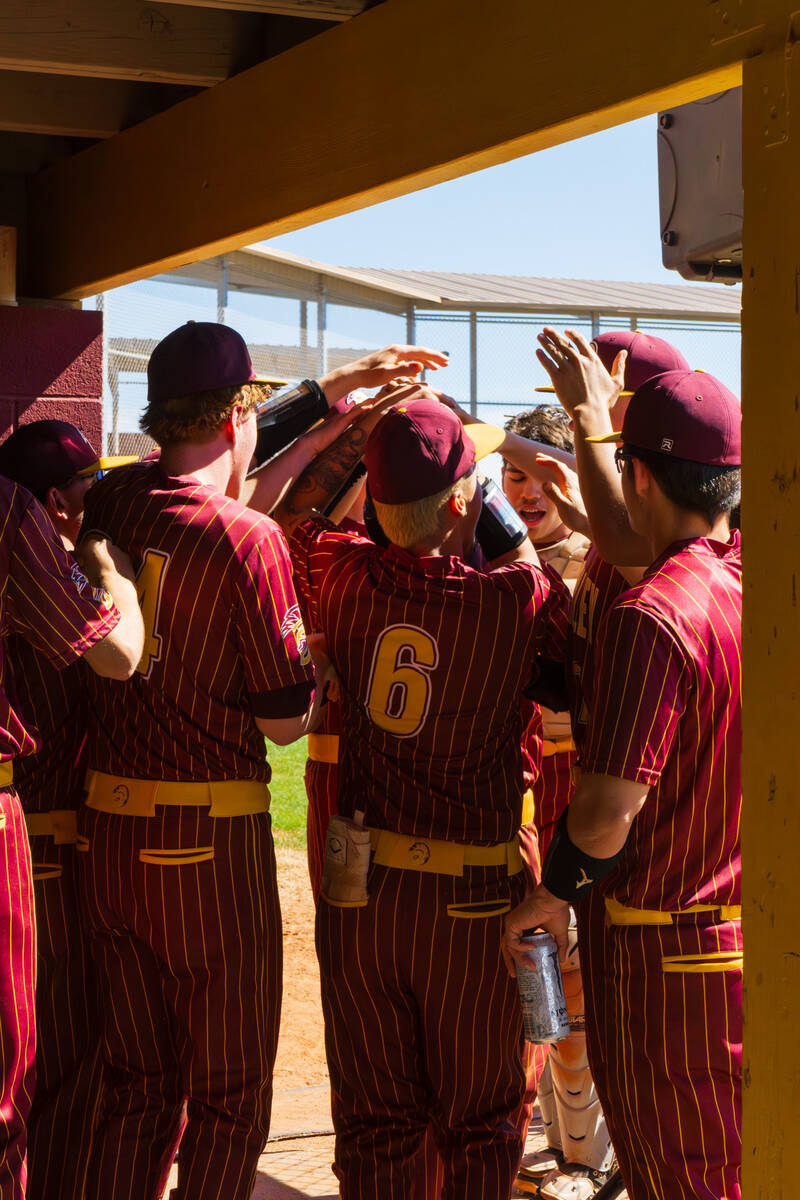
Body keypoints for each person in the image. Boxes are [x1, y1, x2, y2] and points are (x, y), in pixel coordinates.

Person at [77, 323, 449, 1200]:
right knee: (230, 1099)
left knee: (134, 1087)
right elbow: (286, 724)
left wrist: (320, 419)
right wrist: (317, 662)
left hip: (109, 830)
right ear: (240, 409)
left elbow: (224, 496)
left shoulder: (113, 499)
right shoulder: (250, 540)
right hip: (203, 843)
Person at [267, 387, 567, 1199]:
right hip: (470, 900)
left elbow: (296, 509)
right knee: (485, 1121)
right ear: (465, 496)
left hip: (365, 897)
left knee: (375, 1120)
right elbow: (543, 585)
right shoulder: (518, 597)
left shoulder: (344, 572)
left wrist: (359, 433)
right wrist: (489, 522)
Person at [504, 364, 742, 1200]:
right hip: (737, 938)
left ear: (636, 473)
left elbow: (606, 816)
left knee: (677, 1176)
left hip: (661, 948)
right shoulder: (749, 578)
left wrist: (551, 894)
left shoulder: (657, 610)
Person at [0, 422, 138, 1200]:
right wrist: (109, 575)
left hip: (43, 836)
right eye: (90, 488)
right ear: (55, 501)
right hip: (41, 843)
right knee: (54, 1054)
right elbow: (119, 658)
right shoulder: (35, 551)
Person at [500, 407, 614, 1200]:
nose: (527, 490)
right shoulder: (496, 561)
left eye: (545, 474)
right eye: (513, 474)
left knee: (572, 986)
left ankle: (587, 1156)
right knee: (534, 983)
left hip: (583, 786)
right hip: (525, 795)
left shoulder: (600, 564)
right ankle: (561, 1142)